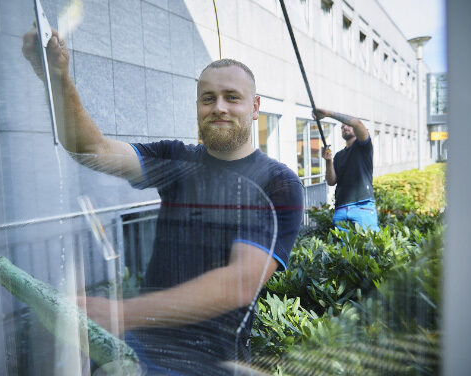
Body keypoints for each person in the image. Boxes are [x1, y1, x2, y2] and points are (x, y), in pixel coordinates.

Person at [22, 28, 304, 374]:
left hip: (212, 364)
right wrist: (56, 78)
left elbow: (240, 283)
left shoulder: (279, 183)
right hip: (140, 350)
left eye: (232, 97)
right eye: (207, 98)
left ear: (255, 107)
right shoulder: (176, 159)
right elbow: (91, 149)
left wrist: (121, 314)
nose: (219, 108)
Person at [313, 108, 379, 232]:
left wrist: (328, 114)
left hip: (362, 206)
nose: (344, 127)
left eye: (348, 125)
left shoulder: (364, 147)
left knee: (369, 248)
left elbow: (357, 123)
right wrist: (328, 160)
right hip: (341, 209)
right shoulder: (339, 155)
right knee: (344, 251)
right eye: (342, 126)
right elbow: (332, 181)